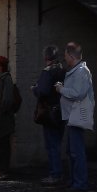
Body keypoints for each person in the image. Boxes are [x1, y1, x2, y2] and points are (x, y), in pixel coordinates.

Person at [55, 42, 92, 191]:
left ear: (71, 56)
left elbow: (78, 93)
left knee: (77, 151)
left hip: (77, 115)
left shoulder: (82, 71)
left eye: (65, 56)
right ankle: (74, 181)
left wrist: (62, 89)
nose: (64, 59)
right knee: (72, 150)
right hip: (72, 116)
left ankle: (80, 183)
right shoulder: (77, 70)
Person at [32, 45, 65, 184]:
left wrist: (35, 89)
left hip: (50, 111)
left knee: (51, 144)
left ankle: (55, 174)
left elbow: (43, 91)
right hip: (63, 110)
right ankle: (58, 173)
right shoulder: (64, 70)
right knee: (57, 142)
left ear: (46, 57)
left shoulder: (48, 72)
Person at [0, 55, 19, 180]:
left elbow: (7, 100)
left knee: (2, 146)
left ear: (0, 67)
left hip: (2, 119)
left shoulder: (5, 79)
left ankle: (2, 171)